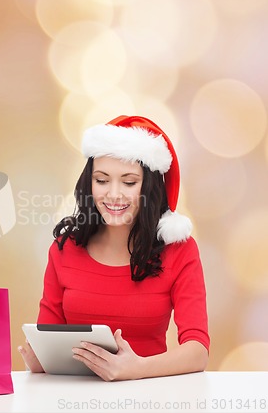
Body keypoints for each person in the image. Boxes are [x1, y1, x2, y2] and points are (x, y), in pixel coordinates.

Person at [18, 115, 210, 381]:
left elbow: (197, 351)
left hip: (149, 396)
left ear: (148, 187)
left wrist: (135, 369)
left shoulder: (180, 251)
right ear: (89, 183)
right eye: (102, 180)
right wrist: (41, 360)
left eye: (129, 182)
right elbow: (48, 335)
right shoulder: (65, 249)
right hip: (71, 399)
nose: (113, 194)